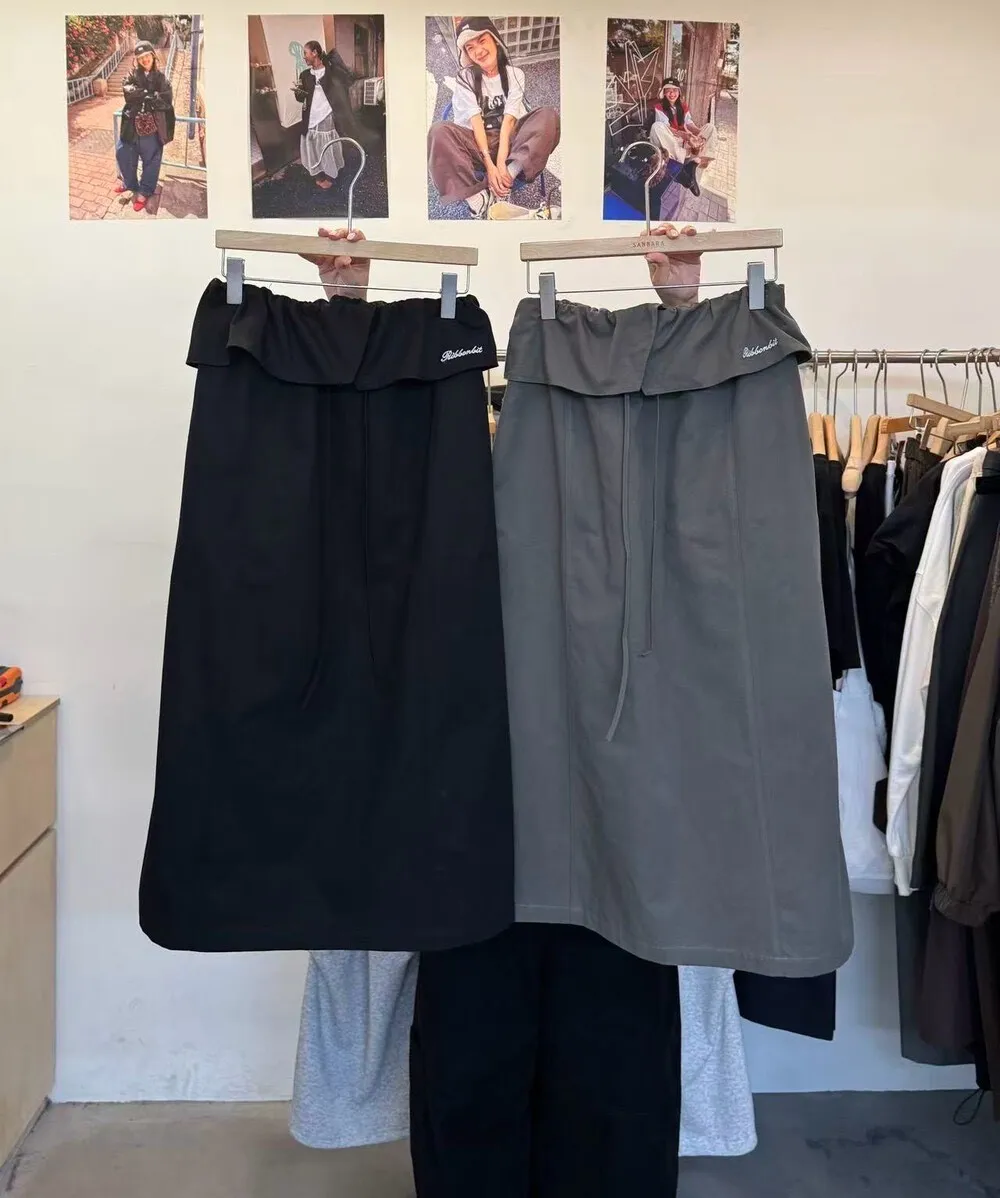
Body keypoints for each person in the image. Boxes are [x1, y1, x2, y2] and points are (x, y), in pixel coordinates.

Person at [427, 16, 560, 218]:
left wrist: (502, 167)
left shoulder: (515, 74)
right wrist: (490, 165)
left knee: (548, 116)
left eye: (482, 41)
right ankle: (478, 202)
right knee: (438, 131)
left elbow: (509, 121)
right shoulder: (465, 77)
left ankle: (504, 183)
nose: (478, 51)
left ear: (495, 40)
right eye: (470, 48)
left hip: (508, 141)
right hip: (475, 143)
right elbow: (476, 122)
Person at [115, 40, 174, 213]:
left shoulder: (161, 78)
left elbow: (166, 100)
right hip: (131, 125)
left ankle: (145, 191)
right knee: (123, 153)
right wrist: (149, 94)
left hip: (152, 128)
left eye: (147, 56)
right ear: (137, 60)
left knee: (151, 160)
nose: (144, 60)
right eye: (140, 57)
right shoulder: (132, 74)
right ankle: (130, 183)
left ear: (153, 56)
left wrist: (145, 97)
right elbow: (128, 91)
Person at [293, 40, 358, 191]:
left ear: (315, 53)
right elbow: (300, 98)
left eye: (305, 53)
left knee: (327, 146)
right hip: (310, 117)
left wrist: (334, 61)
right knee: (313, 147)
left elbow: (350, 79)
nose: (304, 57)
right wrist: (298, 93)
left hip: (327, 115)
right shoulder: (304, 75)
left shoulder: (331, 72)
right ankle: (319, 174)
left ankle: (329, 176)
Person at [649, 77, 718, 199]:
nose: (672, 94)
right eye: (668, 91)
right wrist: (683, 135)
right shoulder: (659, 107)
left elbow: (689, 123)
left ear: (679, 92)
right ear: (664, 92)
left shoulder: (683, 106)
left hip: (685, 142)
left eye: (675, 90)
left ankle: (695, 163)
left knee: (710, 128)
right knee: (656, 127)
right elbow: (666, 127)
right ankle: (682, 168)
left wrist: (698, 134)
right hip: (671, 140)